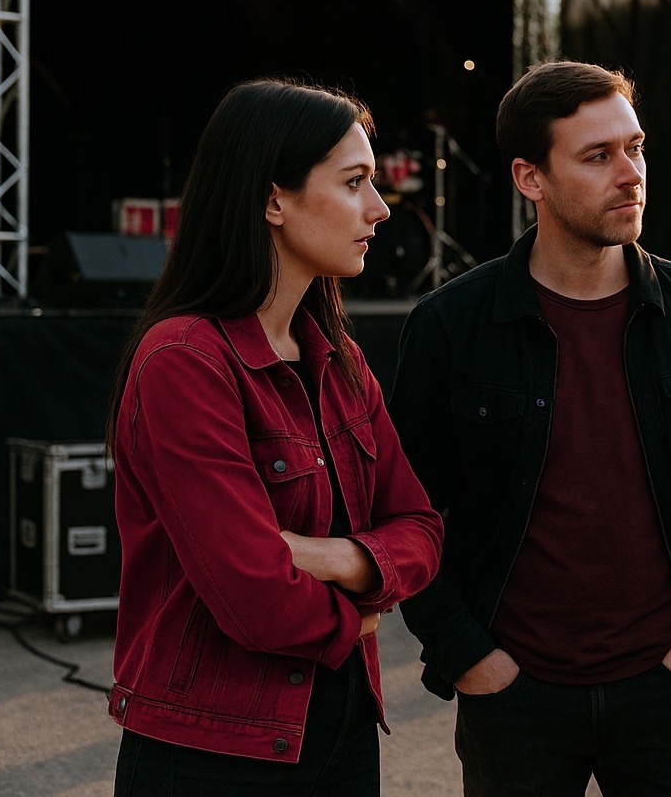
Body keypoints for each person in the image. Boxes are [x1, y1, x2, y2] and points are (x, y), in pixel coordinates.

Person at [393, 60, 671, 796]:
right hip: (516, 699)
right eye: (598, 156)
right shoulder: (451, 325)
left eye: (634, 148)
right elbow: (407, 509)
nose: (630, 173)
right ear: (530, 178)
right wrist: (466, 652)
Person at [105, 78, 445, 795]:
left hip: (345, 731)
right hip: (213, 750)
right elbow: (253, 596)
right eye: (354, 183)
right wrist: (358, 616)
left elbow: (422, 527)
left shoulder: (339, 358)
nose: (380, 210)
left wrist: (338, 558)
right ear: (271, 199)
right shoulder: (184, 360)